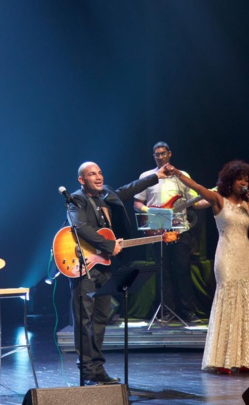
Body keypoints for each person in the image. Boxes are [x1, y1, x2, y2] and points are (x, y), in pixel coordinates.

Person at [66, 161, 171, 386]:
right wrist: (108, 244)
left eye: (100, 172)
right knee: (84, 319)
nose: (98, 177)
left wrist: (156, 177)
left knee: (101, 317)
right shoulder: (77, 199)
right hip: (83, 265)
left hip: (104, 265)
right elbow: (80, 227)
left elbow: (129, 189)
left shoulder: (107, 194)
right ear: (81, 180)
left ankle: (97, 368)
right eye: (91, 174)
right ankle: (87, 369)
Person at [167, 160, 249, 374]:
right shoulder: (219, 200)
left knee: (244, 303)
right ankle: (222, 360)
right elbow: (198, 188)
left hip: (245, 256)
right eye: (239, 179)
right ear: (230, 180)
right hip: (226, 255)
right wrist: (177, 174)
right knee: (227, 300)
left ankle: (244, 358)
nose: (244, 182)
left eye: (246, 179)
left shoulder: (248, 205)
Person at [133, 141, 209, 324]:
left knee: (182, 270)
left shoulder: (182, 176)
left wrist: (214, 199)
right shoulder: (146, 176)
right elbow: (137, 203)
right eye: (156, 154)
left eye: (163, 153)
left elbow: (195, 202)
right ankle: (165, 310)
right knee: (163, 271)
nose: (160, 157)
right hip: (157, 230)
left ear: (170, 154)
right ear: (153, 156)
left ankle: (187, 311)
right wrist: (150, 212)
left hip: (179, 229)